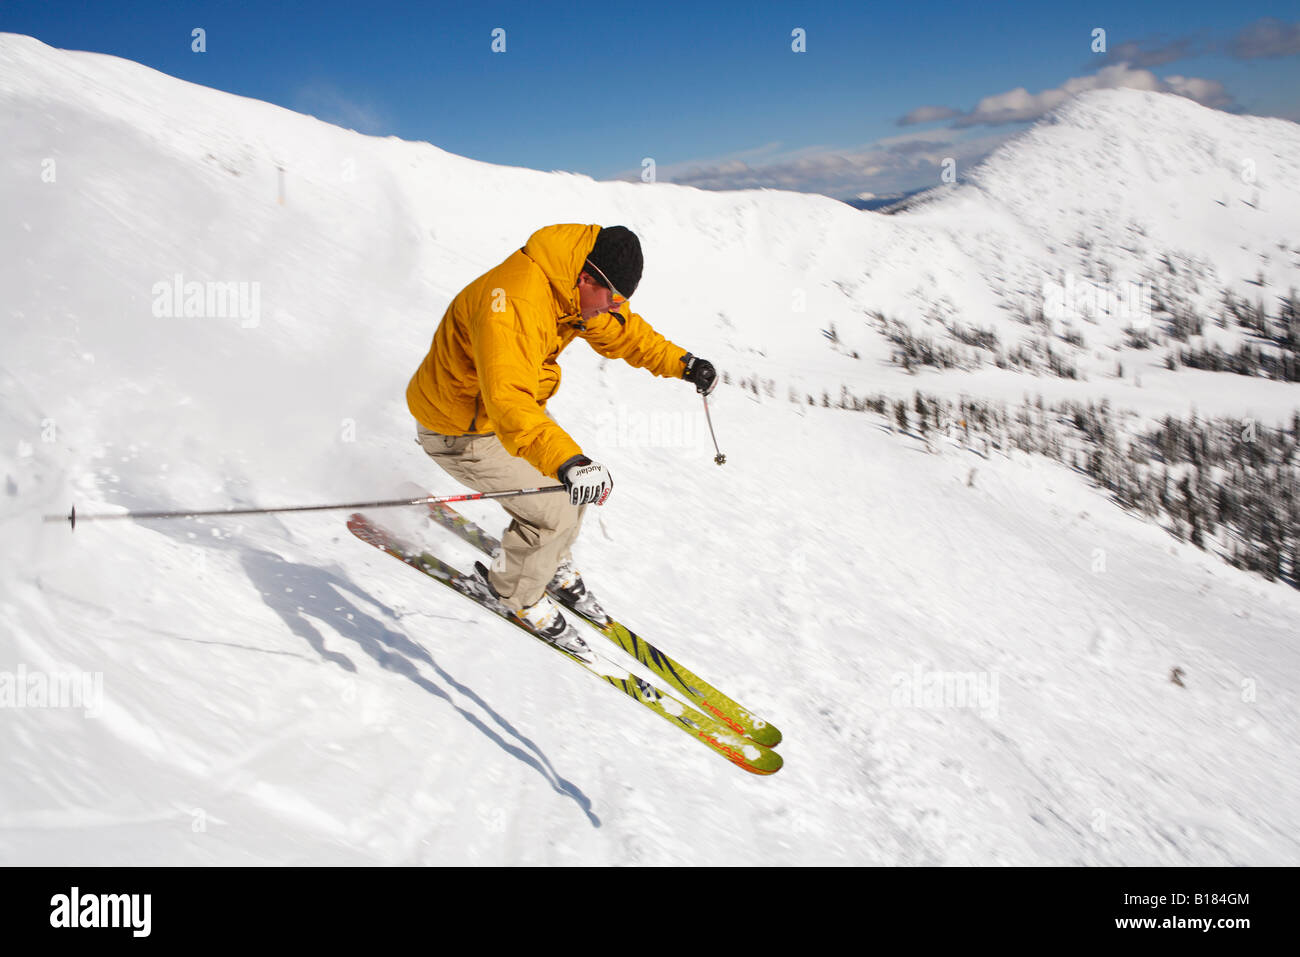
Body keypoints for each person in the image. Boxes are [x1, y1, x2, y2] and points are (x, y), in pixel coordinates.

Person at [406, 223, 717, 660]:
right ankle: (513, 595)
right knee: (553, 511)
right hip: (463, 427)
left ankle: (546, 563)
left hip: (505, 411)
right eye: (610, 298)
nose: (613, 309)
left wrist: (683, 364)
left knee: (575, 485)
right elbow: (508, 400)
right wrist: (567, 461)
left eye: (621, 301)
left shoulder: (570, 287)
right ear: (587, 278)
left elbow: (623, 332)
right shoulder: (514, 303)